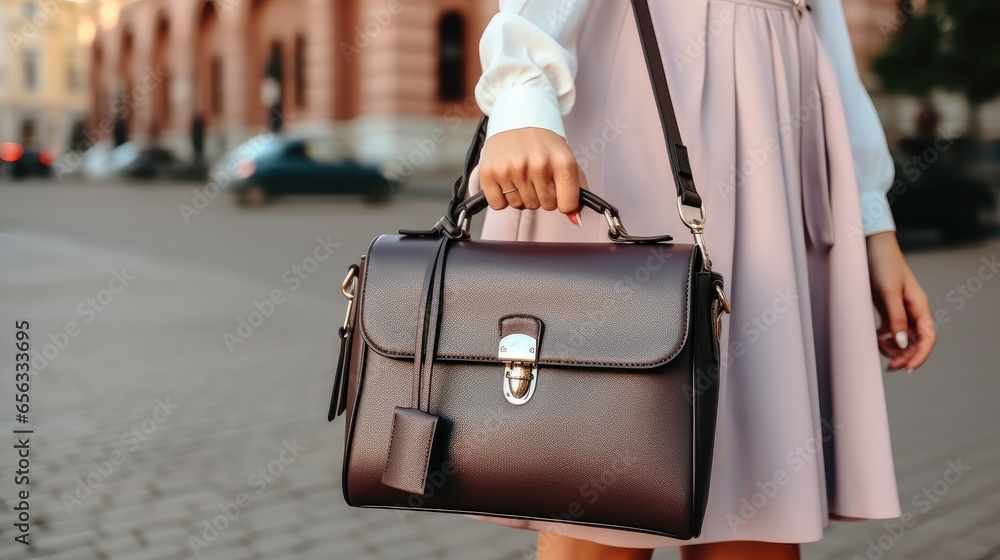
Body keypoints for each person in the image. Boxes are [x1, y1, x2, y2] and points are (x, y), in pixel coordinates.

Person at [463, 0, 937, 559]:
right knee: (599, 497)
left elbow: (826, 27)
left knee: (755, 506)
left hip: (777, 116)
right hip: (639, 78)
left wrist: (872, 221)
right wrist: (521, 95)